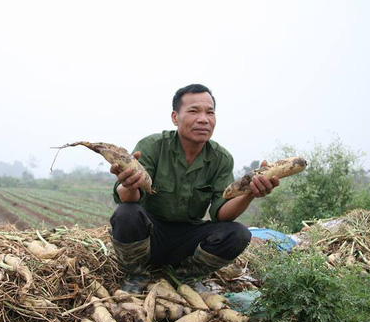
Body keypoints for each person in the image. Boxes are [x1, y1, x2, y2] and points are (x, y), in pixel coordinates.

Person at [109, 84, 279, 291]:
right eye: (193, 111)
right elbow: (128, 198)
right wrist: (128, 183)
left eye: (210, 112)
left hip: (187, 238)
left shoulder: (221, 159)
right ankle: (136, 275)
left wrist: (250, 193)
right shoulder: (152, 146)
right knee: (127, 213)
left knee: (238, 234)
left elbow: (222, 215)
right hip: (152, 235)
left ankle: (185, 276)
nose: (203, 119)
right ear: (175, 117)